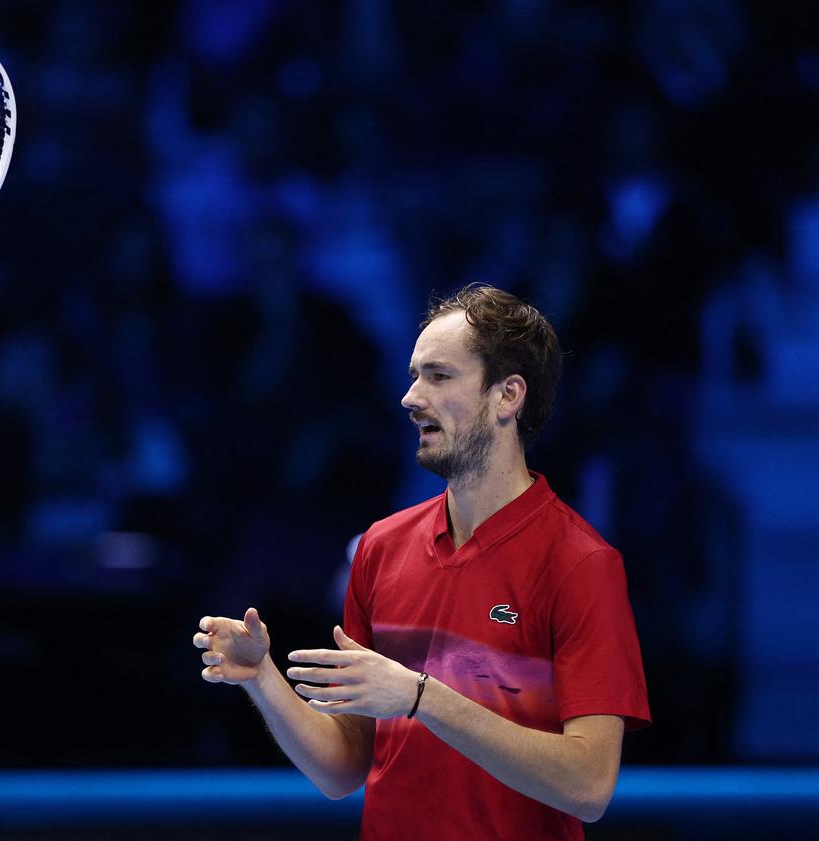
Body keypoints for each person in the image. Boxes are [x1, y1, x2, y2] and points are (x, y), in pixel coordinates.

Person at [193, 284, 650, 840]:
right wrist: (261, 678)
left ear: (508, 397)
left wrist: (419, 696)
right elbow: (345, 768)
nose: (410, 397)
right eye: (414, 375)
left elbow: (589, 786)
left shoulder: (581, 564)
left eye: (439, 376)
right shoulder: (381, 549)